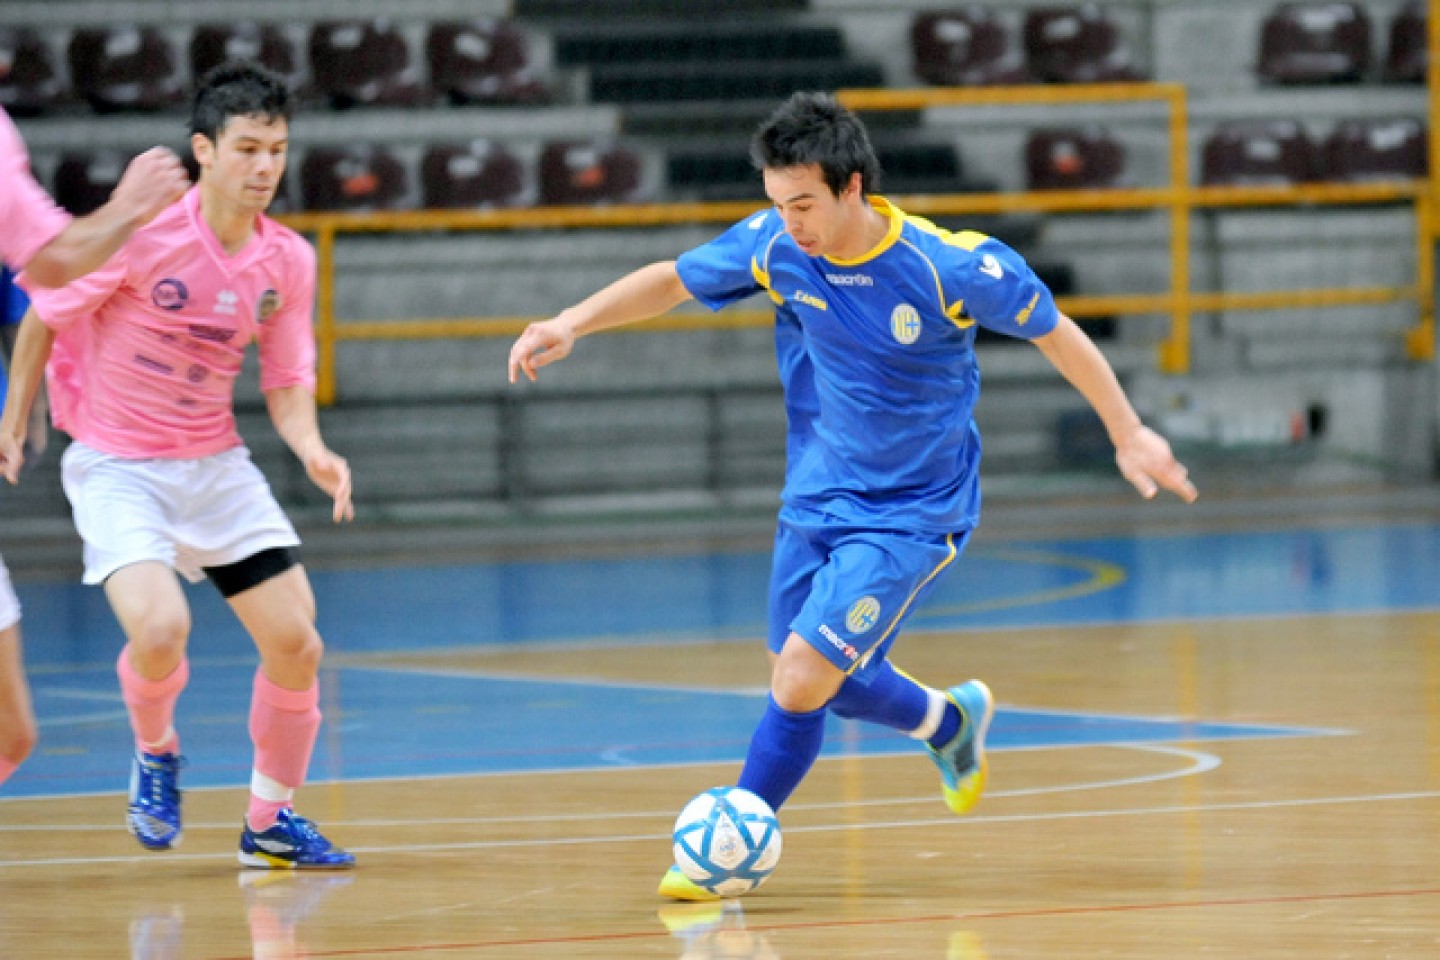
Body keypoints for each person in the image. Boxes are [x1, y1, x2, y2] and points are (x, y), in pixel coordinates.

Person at [508, 92, 1198, 901]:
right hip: (816, 494)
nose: (788, 221)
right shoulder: (776, 247)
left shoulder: (950, 266)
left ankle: (726, 848)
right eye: (776, 203)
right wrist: (572, 322)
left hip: (912, 510)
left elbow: (1055, 329)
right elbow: (673, 280)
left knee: (803, 676)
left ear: (853, 187)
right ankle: (950, 722)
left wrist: (1127, 430)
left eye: (803, 203)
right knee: (804, 679)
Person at [0, 61, 355, 869]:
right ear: (204, 150)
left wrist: (312, 450)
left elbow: (288, 378)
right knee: (162, 629)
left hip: (214, 467)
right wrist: (14, 416)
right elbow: (42, 315)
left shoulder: (286, 261)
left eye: (278, 149)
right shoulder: (143, 236)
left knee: (298, 643)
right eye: (249, 149)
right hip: (119, 465)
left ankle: (270, 819)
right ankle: (156, 751)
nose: (266, 168)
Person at [0, 107, 188, 791]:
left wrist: (16, 411)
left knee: (12, 732)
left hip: (192, 456)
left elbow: (41, 282)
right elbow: (56, 267)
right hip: (119, 458)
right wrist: (132, 204)